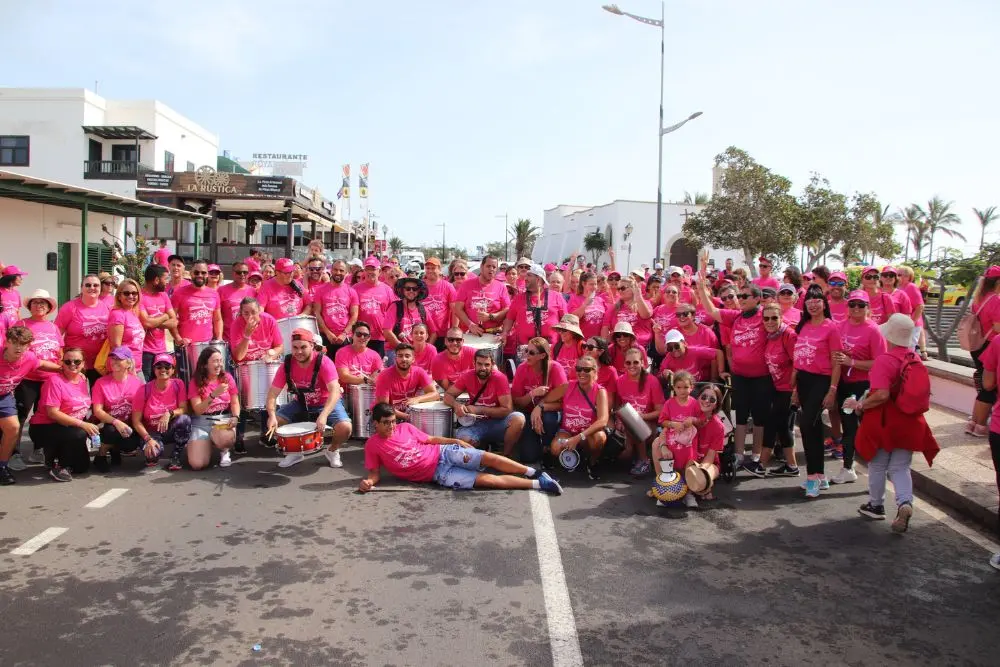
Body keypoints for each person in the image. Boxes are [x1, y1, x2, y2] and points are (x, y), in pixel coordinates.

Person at [359, 402, 563, 494]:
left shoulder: (406, 427)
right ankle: (540, 485)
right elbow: (374, 473)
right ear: (376, 423)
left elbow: (430, 439)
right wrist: (368, 482)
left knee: (487, 457)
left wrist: (455, 442)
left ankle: (536, 473)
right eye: (386, 422)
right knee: (488, 481)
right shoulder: (373, 445)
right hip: (438, 474)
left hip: (444, 453)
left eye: (393, 421)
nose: (392, 426)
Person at [855, 314, 938, 533]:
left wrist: (862, 405)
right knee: (901, 467)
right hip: (910, 421)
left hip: (886, 421)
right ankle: (904, 503)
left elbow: (881, 395)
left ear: (889, 334)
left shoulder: (885, 360)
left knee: (878, 464)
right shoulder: (914, 358)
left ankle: (876, 504)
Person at [696, 252, 770, 475]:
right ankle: (739, 454)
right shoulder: (735, 316)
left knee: (758, 417)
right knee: (739, 416)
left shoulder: (765, 317)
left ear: (757, 299)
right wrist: (701, 287)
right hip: (740, 376)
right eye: (740, 295)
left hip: (761, 377)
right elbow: (711, 310)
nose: (742, 297)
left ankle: (755, 455)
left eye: (746, 295)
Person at [265, 329, 352, 469]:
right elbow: (272, 395)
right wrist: (271, 416)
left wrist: (323, 415)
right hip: (301, 402)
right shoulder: (286, 364)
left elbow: (335, 392)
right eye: (295, 347)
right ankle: (295, 452)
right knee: (275, 423)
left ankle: (333, 450)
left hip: (325, 402)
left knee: (345, 428)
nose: (299, 352)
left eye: (303, 347)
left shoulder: (324, 362)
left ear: (312, 345)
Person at [829, 290, 887, 485]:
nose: (856, 308)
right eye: (852, 304)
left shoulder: (873, 330)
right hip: (845, 385)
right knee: (849, 427)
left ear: (867, 308)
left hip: (864, 385)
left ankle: (877, 470)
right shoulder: (839, 326)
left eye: (860, 305)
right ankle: (848, 468)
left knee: (866, 429)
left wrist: (851, 362)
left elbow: (880, 362)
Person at [792, 285, 844, 498]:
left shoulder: (831, 327)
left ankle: (813, 477)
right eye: (809, 301)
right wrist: (795, 388)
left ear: (824, 303)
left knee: (805, 424)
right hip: (803, 380)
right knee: (811, 429)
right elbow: (798, 359)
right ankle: (819, 476)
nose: (813, 304)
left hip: (821, 380)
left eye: (817, 300)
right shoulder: (802, 326)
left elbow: (837, 362)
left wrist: (832, 390)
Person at [0, 326, 59, 484]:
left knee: (13, 427)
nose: (19, 347)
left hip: (4, 396)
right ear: (7, 342)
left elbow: (42, 363)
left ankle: (2, 467)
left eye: (23, 344)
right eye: (15, 342)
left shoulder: (29, 358)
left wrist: (64, 369)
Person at [12, 289, 63, 469]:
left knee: (44, 417)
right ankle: (13, 453)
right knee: (20, 416)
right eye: (35, 302)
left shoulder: (53, 327)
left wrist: (61, 368)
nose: (39, 305)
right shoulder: (22, 324)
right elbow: (19, 353)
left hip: (50, 380)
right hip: (27, 378)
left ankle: (38, 449)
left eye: (43, 303)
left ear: (48, 307)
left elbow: (60, 351)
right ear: (30, 306)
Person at [28, 347, 96, 482]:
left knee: (82, 468)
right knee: (80, 433)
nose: (72, 365)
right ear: (62, 363)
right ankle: (58, 465)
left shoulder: (83, 380)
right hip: (45, 426)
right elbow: (52, 413)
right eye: (68, 362)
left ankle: (55, 455)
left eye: (77, 362)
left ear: (83, 364)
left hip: (69, 427)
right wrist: (82, 424)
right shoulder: (54, 381)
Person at [443, 349, 525, 456]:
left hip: (498, 422)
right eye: (479, 364)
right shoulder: (467, 376)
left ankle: (506, 456)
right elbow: (447, 395)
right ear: (474, 364)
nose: (483, 368)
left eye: (487, 365)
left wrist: (480, 409)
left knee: (518, 418)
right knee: (464, 441)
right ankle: (481, 449)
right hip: (476, 423)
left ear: (492, 365)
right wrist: (457, 405)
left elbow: (507, 409)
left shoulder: (500, 378)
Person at [550, 355, 609, 480]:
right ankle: (575, 457)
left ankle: (593, 462)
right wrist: (540, 408)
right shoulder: (567, 386)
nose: (582, 372)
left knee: (600, 437)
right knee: (555, 448)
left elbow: (603, 420)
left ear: (594, 372)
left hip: (587, 434)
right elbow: (546, 400)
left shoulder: (600, 391)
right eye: (579, 369)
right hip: (567, 431)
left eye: (586, 370)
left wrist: (579, 437)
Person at [131, 353, 191, 471]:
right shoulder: (144, 389)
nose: (163, 369)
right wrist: (148, 439)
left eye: (167, 367)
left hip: (169, 429)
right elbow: (136, 421)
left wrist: (169, 413)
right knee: (153, 454)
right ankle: (152, 452)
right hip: (151, 432)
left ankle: (176, 455)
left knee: (185, 420)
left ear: (173, 370)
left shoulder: (178, 384)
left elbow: (184, 408)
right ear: (154, 370)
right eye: (159, 367)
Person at [510, 337, 566, 464]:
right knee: (528, 457)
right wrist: (532, 394)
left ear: (542, 355)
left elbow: (562, 403)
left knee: (549, 418)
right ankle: (537, 444)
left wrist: (540, 407)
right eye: (526, 350)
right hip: (528, 414)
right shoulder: (522, 369)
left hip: (550, 413)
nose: (526, 355)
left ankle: (547, 446)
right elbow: (517, 402)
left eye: (531, 352)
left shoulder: (556, 368)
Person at [652, 371, 702, 508]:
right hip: (672, 442)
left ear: (691, 388)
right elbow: (662, 421)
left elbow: (701, 420)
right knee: (669, 466)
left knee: (688, 468)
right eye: (679, 387)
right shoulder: (669, 403)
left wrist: (693, 419)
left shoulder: (694, 403)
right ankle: (664, 491)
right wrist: (673, 424)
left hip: (689, 444)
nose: (682, 391)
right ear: (674, 388)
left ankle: (689, 493)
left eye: (686, 387)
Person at [761, 303, 800, 477]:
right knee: (781, 426)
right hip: (776, 387)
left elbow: (799, 364)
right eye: (766, 318)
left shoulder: (789, 335)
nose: (770, 321)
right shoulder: (769, 336)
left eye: (774, 318)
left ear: (781, 318)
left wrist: (796, 391)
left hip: (789, 389)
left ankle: (762, 464)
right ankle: (791, 466)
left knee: (776, 424)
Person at [90, 346, 144, 472]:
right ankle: (101, 454)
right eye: (112, 358)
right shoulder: (101, 382)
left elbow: (141, 409)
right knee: (111, 431)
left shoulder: (137, 382)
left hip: (128, 423)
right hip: (107, 423)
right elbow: (97, 411)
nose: (114, 361)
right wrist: (116, 422)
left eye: (119, 359)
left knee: (131, 444)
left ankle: (115, 449)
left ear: (128, 363)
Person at [187, 347, 240, 470]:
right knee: (197, 464)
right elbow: (198, 410)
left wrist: (235, 416)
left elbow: (235, 402)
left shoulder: (227, 377)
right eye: (215, 361)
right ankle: (207, 444)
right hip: (201, 422)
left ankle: (224, 450)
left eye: (221, 361)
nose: (219, 364)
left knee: (224, 439)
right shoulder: (195, 381)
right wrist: (213, 395)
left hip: (222, 420)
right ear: (205, 364)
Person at [171, 260, 223, 382]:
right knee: (188, 382)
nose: (200, 275)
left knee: (207, 382)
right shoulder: (179, 293)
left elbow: (217, 319)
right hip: (186, 347)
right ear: (191, 273)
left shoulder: (214, 294)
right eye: (197, 272)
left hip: (207, 347)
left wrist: (219, 338)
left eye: (203, 272)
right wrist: (178, 339)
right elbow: (171, 319)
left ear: (207, 274)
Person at [55, 274, 112, 386]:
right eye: (88, 285)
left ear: (100, 288)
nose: (92, 288)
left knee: (97, 399)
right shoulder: (69, 307)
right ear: (81, 288)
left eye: (96, 285)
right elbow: (56, 334)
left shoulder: (107, 308)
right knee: (75, 399)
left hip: (100, 364)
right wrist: (60, 357)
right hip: (75, 363)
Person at [616, 347, 664, 476]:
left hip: (649, 426)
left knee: (634, 421)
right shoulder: (620, 381)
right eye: (628, 363)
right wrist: (619, 419)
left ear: (642, 363)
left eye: (636, 362)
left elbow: (660, 411)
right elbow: (618, 405)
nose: (632, 366)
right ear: (624, 364)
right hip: (626, 424)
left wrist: (640, 416)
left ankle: (643, 460)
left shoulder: (652, 381)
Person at [967, 265, 1000, 437]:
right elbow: (998, 327)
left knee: (983, 383)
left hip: (977, 346)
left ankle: (973, 422)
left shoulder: (979, 298)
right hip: (990, 346)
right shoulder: (995, 300)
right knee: (990, 387)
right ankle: (980, 425)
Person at [501, 265, 566, 350]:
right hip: (525, 349)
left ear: (538, 279)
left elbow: (565, 321)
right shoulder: (518, 298)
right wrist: (505, 333)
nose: (525, 278)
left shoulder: (556, 297)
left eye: (529, 275)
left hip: (551, 349)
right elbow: (509, 319)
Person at [373, 343, 438, 421]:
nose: (404, 359)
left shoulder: (419, 372)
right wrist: (408, 417)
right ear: (395, 358)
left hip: (406, 415)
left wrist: (418, 399)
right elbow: (384, 407)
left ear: (413, 359)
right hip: (385, 417)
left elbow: (435, 395)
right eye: (400, 356)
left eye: (407, 356)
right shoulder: (384, 375)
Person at [452, 255, 511, 337]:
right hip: (471, 333)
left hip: (493, 334)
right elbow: (458, 309)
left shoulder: (501, 286)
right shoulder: (467, 285)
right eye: (488, 266)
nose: (491, 269)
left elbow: (507, 309)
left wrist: (491, 316)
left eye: (494, 267)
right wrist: (470, 325)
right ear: (481, 267)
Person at [139, 264, 180, 380]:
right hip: (144, 352)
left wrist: (153, 322)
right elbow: (146, 323)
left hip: (162, 351)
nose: (168, 282)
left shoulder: (163, 295)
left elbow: (174, 322)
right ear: (156, 280)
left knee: (160, 384)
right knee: (146, 386)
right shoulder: (140, 297)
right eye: (166, 278)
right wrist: (165, 316)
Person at [313, 259, 359, 360]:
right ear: (331, 270)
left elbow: (354, 315)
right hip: (326, 336)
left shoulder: (352, 292)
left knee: (344, 369)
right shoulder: (320, 290)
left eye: (341, 270)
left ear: (346, 273)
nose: (338, 273)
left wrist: (344, 334)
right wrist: (328, 333)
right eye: (335, 270)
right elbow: (317, 312)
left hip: (345, 337)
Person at [354, 256, 396, 358]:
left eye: (373, 269)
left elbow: (393, 313)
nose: (370, 272)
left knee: (378, 368)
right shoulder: (355, 288)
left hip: (380, 337)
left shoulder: (387, 290)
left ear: (379, 271)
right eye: (367, 269)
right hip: (361, 336)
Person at [384, 276, 431, 360]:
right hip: (396, 349)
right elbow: (387, 331)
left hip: (417, 351)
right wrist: (402, 348)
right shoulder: (395, 307)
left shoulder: (422, 309)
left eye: (415, 289)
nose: (411, 291)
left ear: (419, 291)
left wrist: (425, 348)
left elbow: (433, 332)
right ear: (403, 290)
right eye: (408, 289)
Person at [693, 384, 726, 500]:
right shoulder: (689, 416)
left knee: (704, 476)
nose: (707, 401)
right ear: (698, 398)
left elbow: (710, 457)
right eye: (704, 397)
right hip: (687, 461)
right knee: (657, 443)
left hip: (708, 464)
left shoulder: (719, 426)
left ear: (716, 404)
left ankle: (704, 485)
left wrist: (700, 471)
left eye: (712, 399)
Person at [600, 278, 653, 351]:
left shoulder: (644, 303)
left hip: (640, 346)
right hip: (619, 346)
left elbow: (645, 315)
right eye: (618, 289)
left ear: (633, 289)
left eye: (623, 288)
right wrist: (604, 347)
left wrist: (638, 296)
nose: (620, 291)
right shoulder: (613, 308)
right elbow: (605, 328)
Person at [107, 279, 145, 376]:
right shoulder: (117, 314)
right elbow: (116, 346)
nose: (131, 296)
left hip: (137, 367)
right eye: (126, 293)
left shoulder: (133, 312)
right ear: (119, 296)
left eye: (134, 293)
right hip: (125, 369)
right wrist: (128, 368)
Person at [421, 257, 458, 351]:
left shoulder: (448, 286)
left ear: (439, 269)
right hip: (423, 333)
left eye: (433, 268)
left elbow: (455, 310)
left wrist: (454, 330)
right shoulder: (419, 286)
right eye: (428, 268)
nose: (430, 271)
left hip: (442, 333)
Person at [335, 322, 383, 387]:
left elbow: (380, 374)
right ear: (352, 335)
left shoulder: (375, 355)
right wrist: (366, 380)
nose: (362, 337)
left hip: (368, 393)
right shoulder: (342, 352)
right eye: (359, 334)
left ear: (369, 338)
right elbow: (344, 377)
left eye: (365, 335)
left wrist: (377, 377)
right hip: (347, 393)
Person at [218, 261, 256, 342]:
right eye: (239, 272)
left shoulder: (253, 291)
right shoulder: (221, 290)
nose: (242, 274)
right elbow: (217, 317)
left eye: (245, 272)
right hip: (228, 339)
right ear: (233, 273)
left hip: (249, 339)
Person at [897, 266, 927, 359]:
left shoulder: (911, 287)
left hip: (911, 325)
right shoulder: (898, 287)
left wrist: (911, 322)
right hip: (900, 324)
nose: (896, 277)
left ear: (908, 276)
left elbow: (920, 306)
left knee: (908, 350)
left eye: (899, 275)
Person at [568, 272, 608, 340]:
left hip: (596, 343)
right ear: (583, 284)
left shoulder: (600, 300)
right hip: (581, 341)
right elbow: (572, 319)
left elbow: (605, 324)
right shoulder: (574, 298)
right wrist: (585, 303)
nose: (594, 287)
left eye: (595, 284)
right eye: (591, 284)